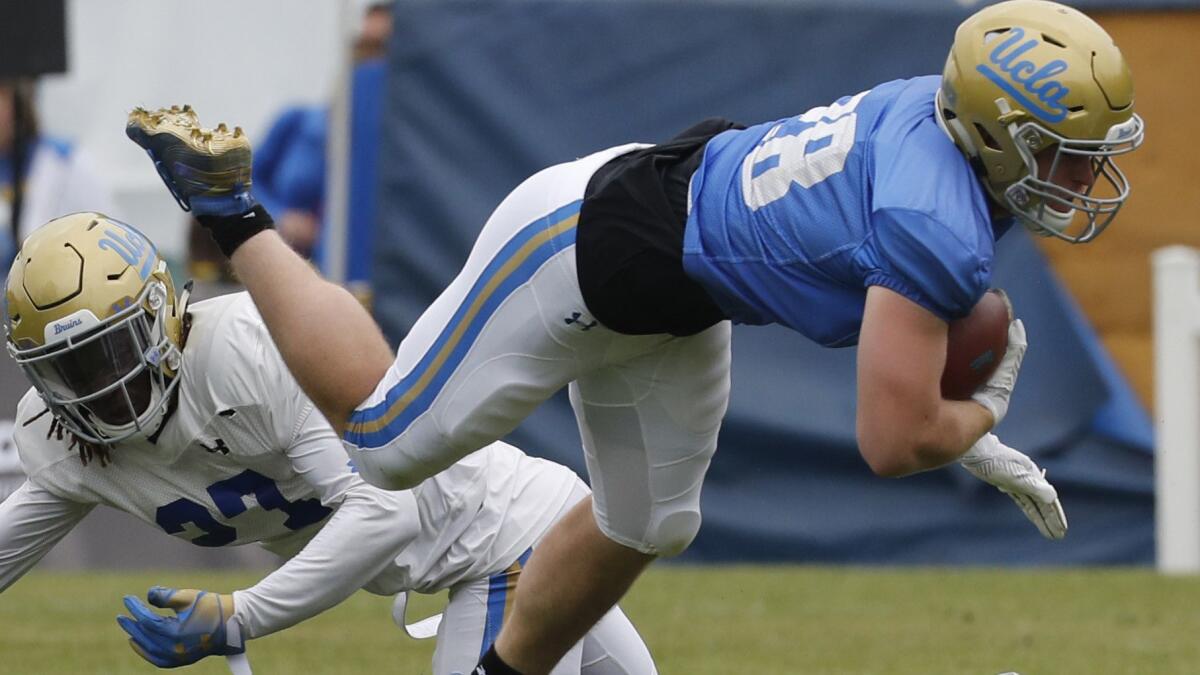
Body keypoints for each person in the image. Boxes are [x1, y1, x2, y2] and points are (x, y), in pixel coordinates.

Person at [124, 2, 1144, 672]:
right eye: (1061, 156)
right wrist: (979, 414)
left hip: (679, 291)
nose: (1078, 183)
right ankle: (234, 208)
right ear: (992, 130)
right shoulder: (938, 219)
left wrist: (958, 418)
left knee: (650, 521)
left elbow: (903, 369)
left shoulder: (936, 122)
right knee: (385, 440)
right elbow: (889, 438)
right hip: (582, 240)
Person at [0, 213, 657, 675]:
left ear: (160, 313)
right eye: (71, 370)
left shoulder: (244, 351)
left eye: (110, 352)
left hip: (506, 542)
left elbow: (385, 510)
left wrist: (239, 613)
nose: (100, 386)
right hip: (499, 543)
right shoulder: (66, 445)